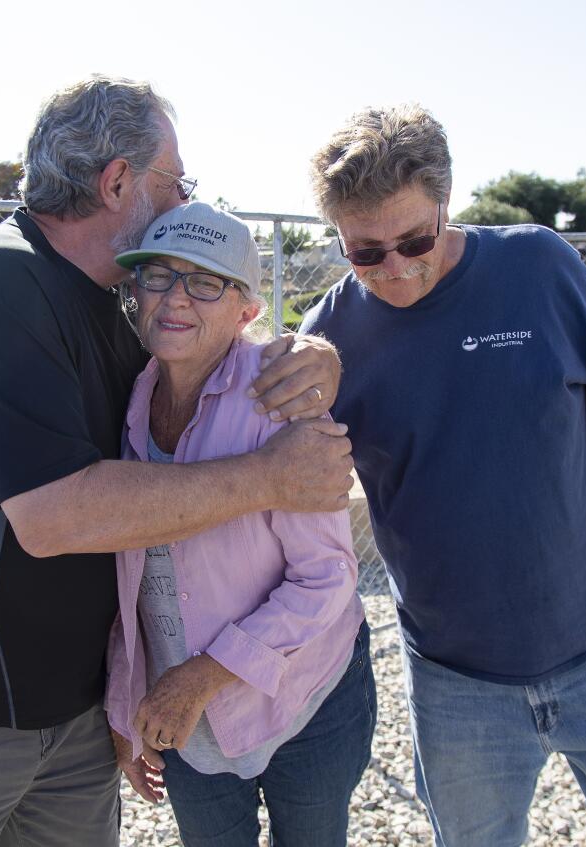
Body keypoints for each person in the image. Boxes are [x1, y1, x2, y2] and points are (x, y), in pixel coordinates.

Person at [0, 76, 353, 847]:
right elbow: (54, 514)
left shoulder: (116, 310)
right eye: (176, 183)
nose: (183, 204)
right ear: (117, 181)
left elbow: (218, 356)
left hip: (67, 720)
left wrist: (316, 355)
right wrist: (269, 477)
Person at [301, 103, 586, 847]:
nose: (396, 268)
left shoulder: (539, 267)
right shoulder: (328, 342)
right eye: (365, 252)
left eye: (414, 239)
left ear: (446, 202)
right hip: (455, 677)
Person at [106, 202, 375, 847]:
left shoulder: (277, 394)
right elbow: (127, 585)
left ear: (246, 311)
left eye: (205, 282)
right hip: (185, 722)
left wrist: (199, 678)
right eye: (160, 275)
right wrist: (125, 703)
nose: (176, 298)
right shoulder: (122, 400)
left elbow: (326, 579)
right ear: (135, 290)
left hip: (305, 695)